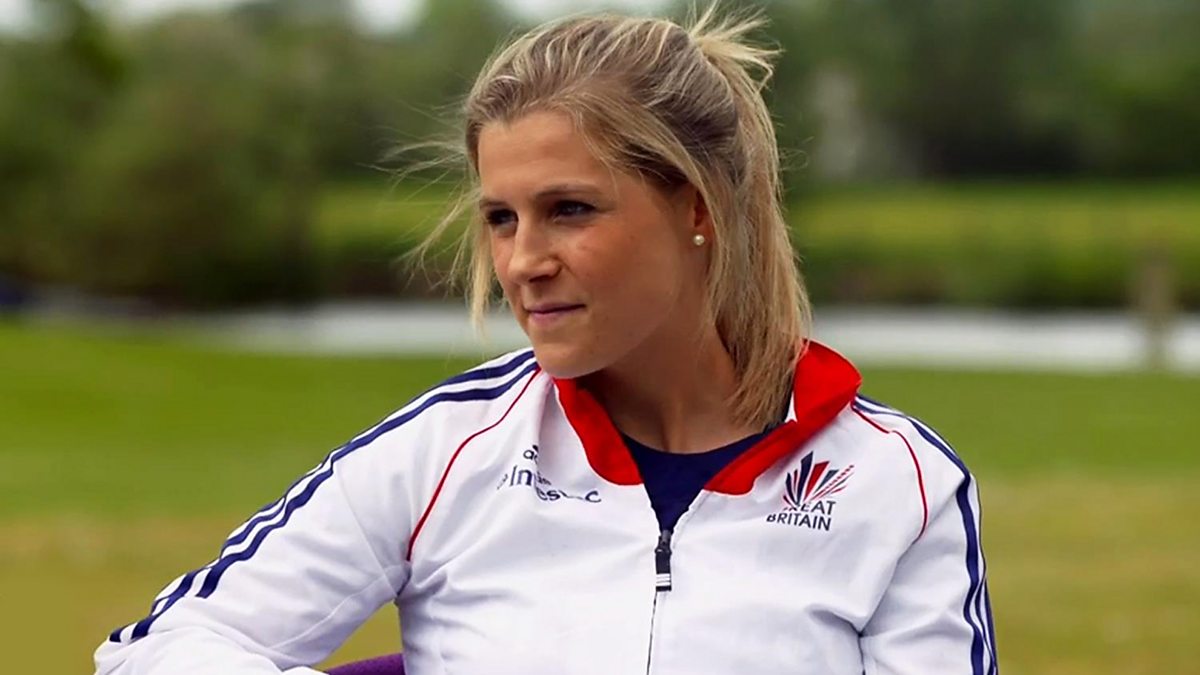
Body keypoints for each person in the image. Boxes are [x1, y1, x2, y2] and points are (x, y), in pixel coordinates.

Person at [95, 7, 997, 675]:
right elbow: (159, 650)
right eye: (500, 217)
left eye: (570, 209)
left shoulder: (899, 485)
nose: (523, 261)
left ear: (697, 207)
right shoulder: (447, 451)